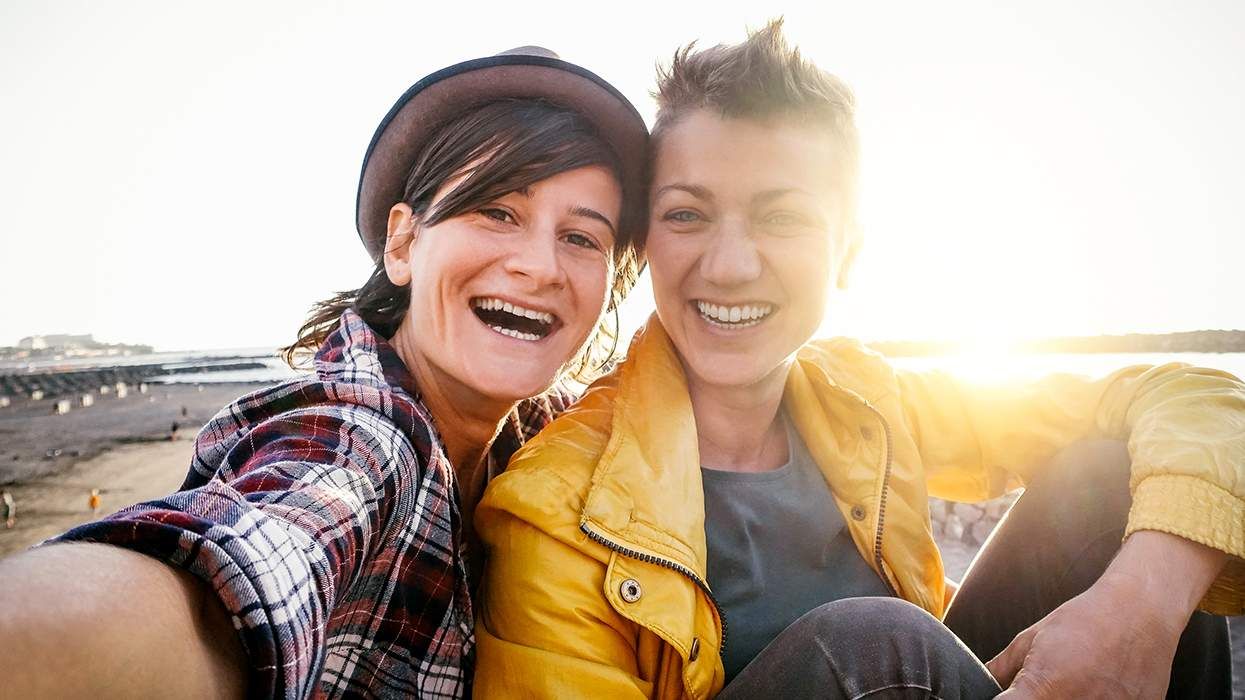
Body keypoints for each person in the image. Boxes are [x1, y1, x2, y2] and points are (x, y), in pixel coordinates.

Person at [473, 22, 1244, 699]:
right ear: (645, 243)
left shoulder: (868, 398)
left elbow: (1187, 395)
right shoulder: (555, 508)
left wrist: (1139, 610)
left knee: (1110, 492)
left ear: (847, 253)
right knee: (873, 650)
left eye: (781, 216)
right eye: (687, 213)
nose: (732, 263)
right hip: (889, 675)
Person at [0, 47, 646, 698]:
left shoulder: (550, 434)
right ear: (402, 243)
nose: (539, 265)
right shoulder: (362, 438)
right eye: (496, 211)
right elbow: (252, 559)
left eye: (582, 237)